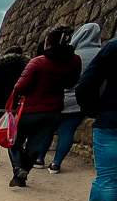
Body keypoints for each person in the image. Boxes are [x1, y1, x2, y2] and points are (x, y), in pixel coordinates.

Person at [7, 24, 81, 187]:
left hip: (29, 110)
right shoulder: (75, 61)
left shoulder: (37, 62)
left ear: (47, 42)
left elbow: (20, 87)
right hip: (53, 110)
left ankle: (19, 169)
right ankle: (22, 177)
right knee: (35, 144)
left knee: (14, 142)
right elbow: (71, 83)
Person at [37, 23, 102, 172]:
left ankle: (39, 159)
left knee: (48, 130)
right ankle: (56, 163)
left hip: (59, 98)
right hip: (80, 101)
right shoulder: (101, 54)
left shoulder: (69, 54)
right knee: (68, 131)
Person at [76, 36, 117, 201]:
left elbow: (86, 84)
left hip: (112, 121)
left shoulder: (113, 47)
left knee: (108, 178)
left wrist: (95, 111)